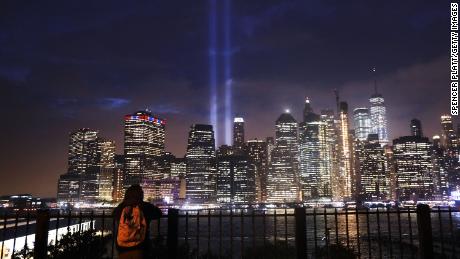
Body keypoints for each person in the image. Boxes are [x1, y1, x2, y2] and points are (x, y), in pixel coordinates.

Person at [113, 184, 162, 259]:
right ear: (140, 195)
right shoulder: (145, 207)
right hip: (141, 246)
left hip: (123, 247)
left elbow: (114, 215)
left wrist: (125, 203)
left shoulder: (122, 207)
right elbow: (158, 213)